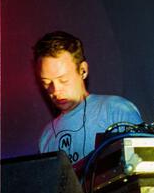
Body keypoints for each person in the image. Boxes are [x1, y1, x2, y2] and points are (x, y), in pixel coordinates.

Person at [34, 31, 143, 167]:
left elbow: (141, 167)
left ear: (83, 70)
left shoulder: (115, 110)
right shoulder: (46, 136)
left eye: (64, 80)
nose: (55, 90)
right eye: (46, 82)